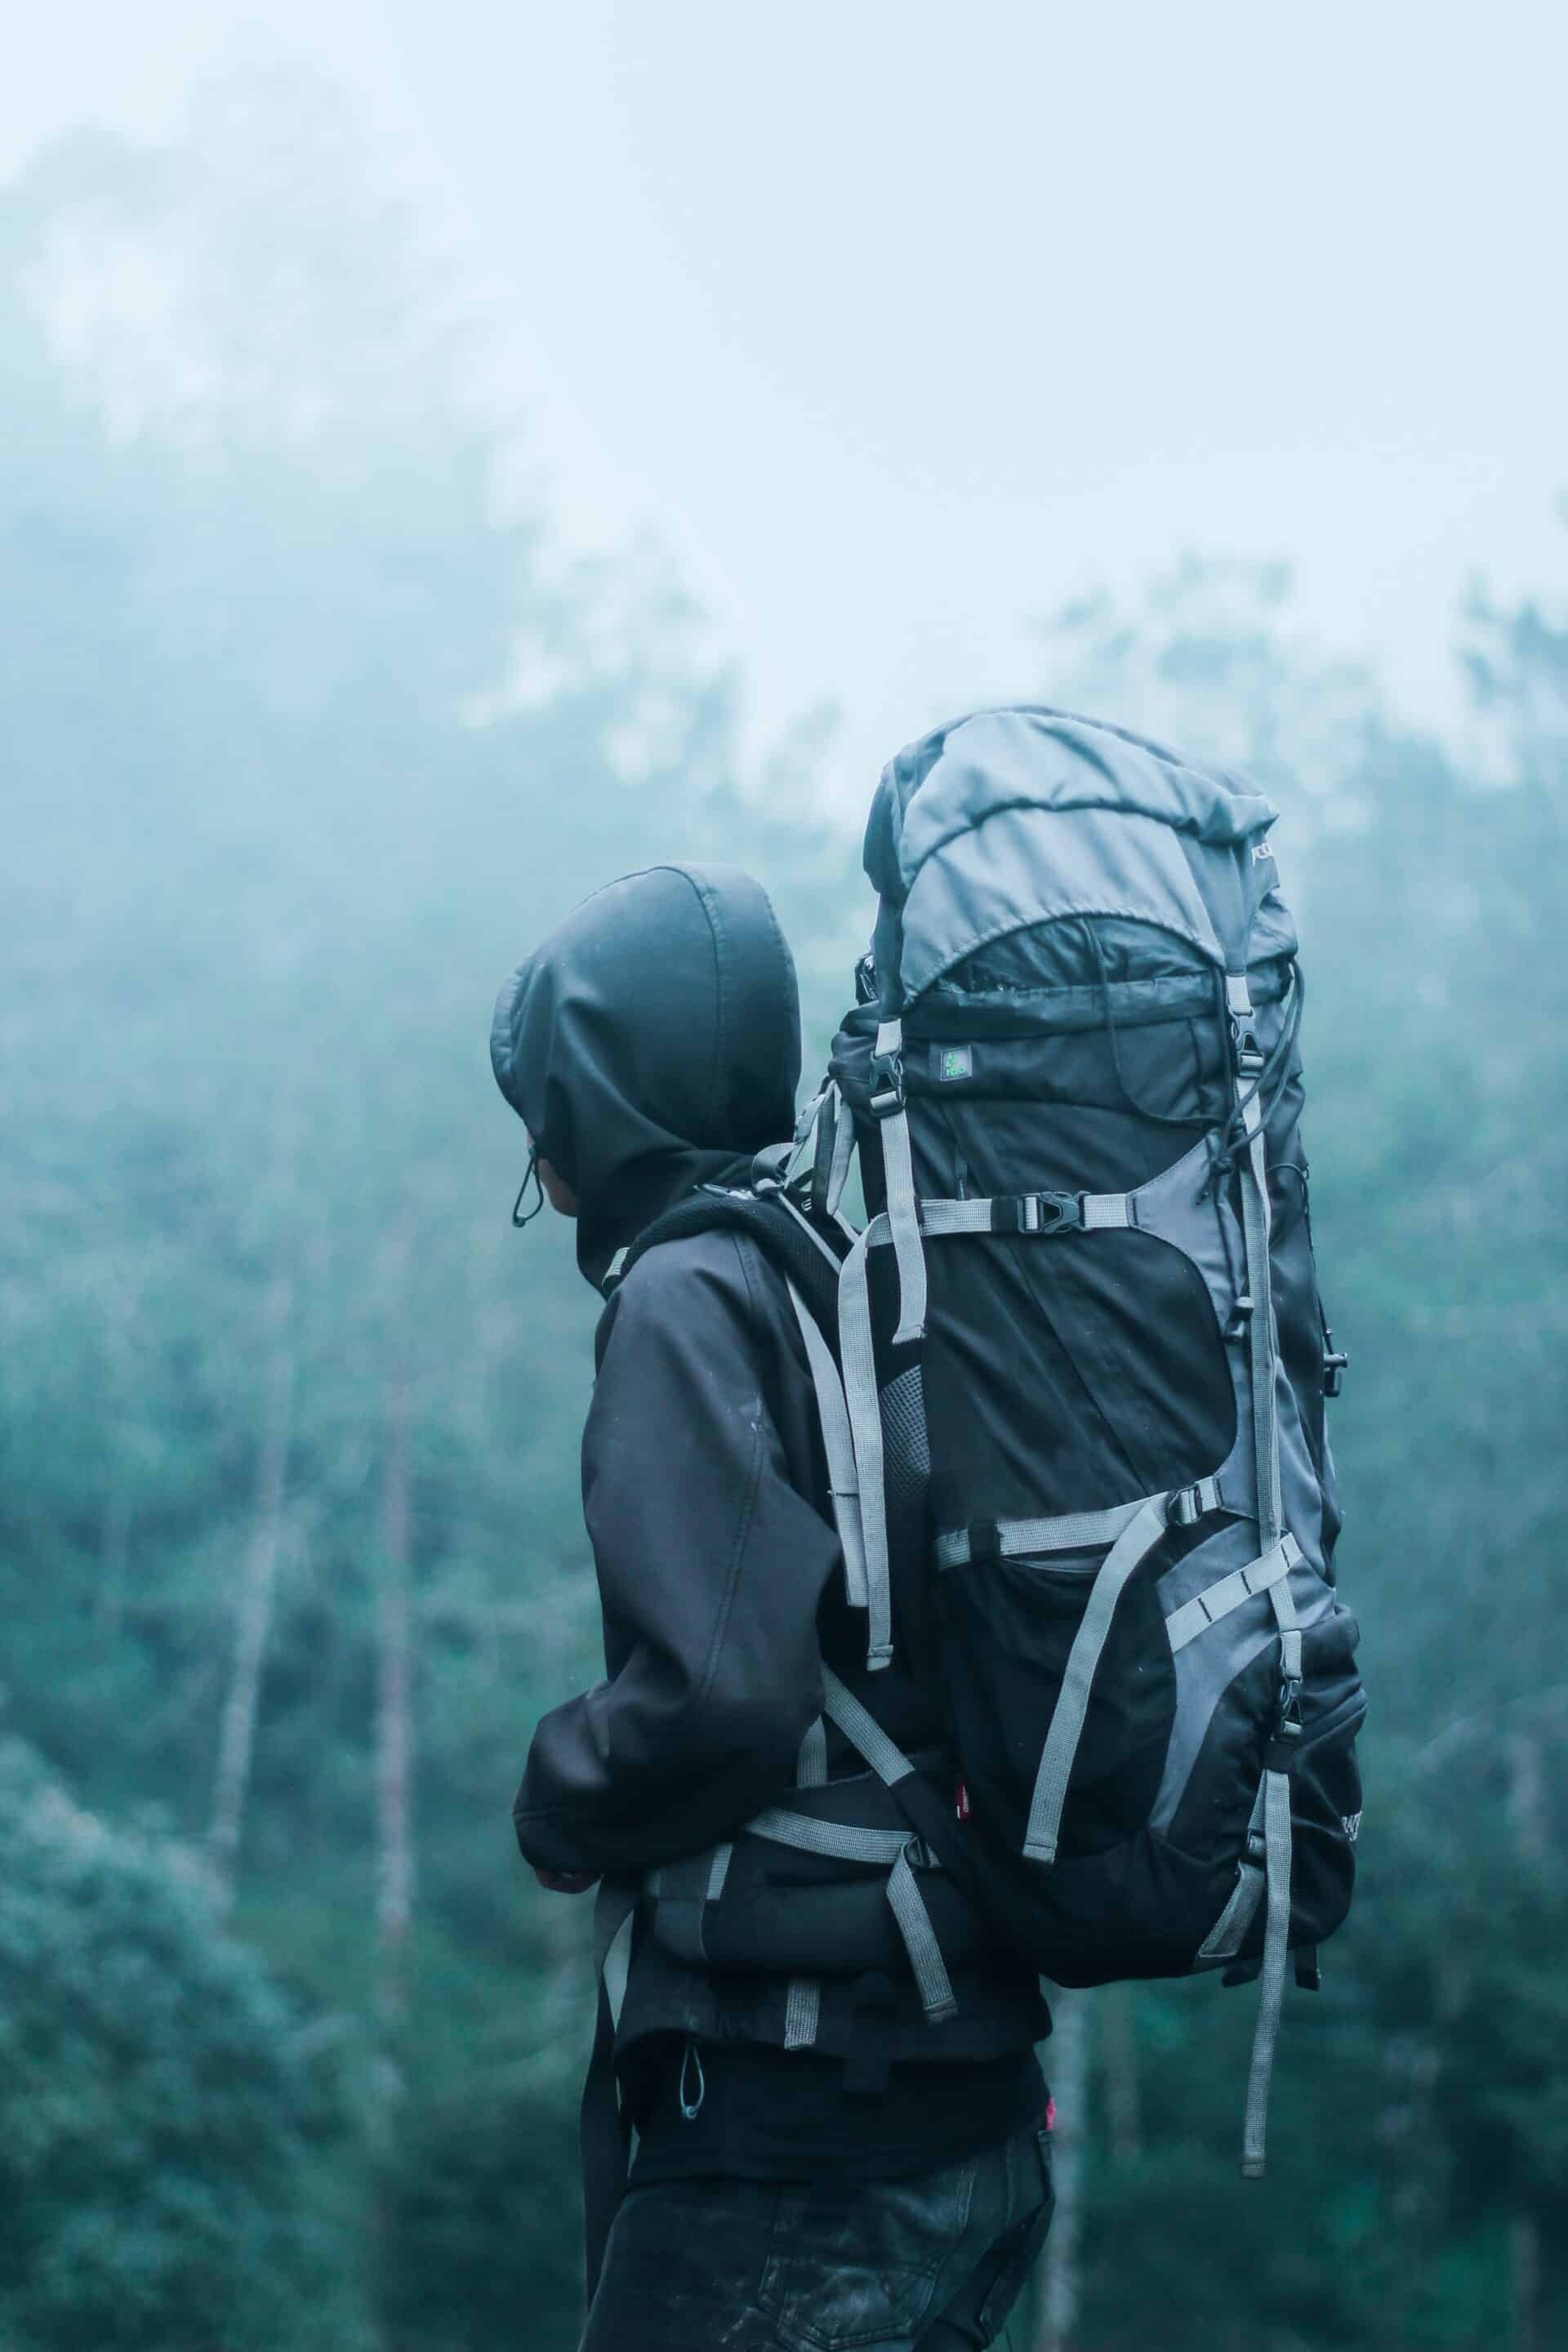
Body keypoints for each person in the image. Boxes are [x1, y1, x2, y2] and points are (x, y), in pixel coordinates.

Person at [491, 862, 1054, 2351]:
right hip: (960, 2108)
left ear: (606, 1096)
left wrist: (559, 1801)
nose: (544, 1167)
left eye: (548, 1112)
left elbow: (720, 1698)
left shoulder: (685, 1296)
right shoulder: (843, 1269)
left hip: (800, 2138)